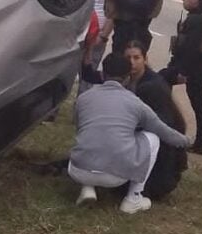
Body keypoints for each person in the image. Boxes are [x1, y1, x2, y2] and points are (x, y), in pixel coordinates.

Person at [69, 53, 191, 213]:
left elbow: (80, 129)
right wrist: (187, 141)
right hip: (116, 177)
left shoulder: (83, 98)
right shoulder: (136, 103)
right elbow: (165, 132)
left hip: (77, 170)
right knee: (152, 137)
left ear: (103, 74)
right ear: (128, 78)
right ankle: (133, 198)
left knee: (92, 133)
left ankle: (88, 188)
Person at [125, 41, 189, 199]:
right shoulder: (126, 81)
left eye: (136, 57)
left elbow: (162, 127)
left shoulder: (152, 86)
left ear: (145, 59)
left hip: (162, 152)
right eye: (128, 58)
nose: (132, 63)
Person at [168, 0, 202, 155]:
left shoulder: (197, 20)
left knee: (160, 85)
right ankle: (201, 142)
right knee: (199, 104)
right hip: (199, 67)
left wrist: (182, 71)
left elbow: (191, 48)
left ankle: (195, 139)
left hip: (194, 68)